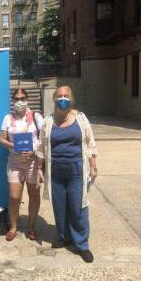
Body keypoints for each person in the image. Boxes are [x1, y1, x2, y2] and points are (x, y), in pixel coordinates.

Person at [35, 86, 97, 263]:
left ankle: (82, 244)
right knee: (60, 207)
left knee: (78, 207)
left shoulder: (80, 119)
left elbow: (90, 143)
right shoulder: (48, 121)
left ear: (71, 98)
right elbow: (42, 146)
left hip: (77, 169)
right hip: (55, 171)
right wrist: (40, 168)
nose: (63, 99)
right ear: (54, 99)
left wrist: (94, 167)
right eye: (59, 96)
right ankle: (64, 237)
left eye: (66, 96)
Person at [0, 88, 43, 241]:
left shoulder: (36, 117)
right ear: (13, 101)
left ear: (27, 99)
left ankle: (31, 227)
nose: (20, 101)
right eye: (17, 98)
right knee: (14, 196)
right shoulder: (7, 118)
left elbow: (44, 139)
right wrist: (13, 146)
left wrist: (34, 151)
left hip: (33, 162)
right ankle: (13, 227)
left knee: (34, 196)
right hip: (14, 162)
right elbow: (2, 139)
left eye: (23, 98)